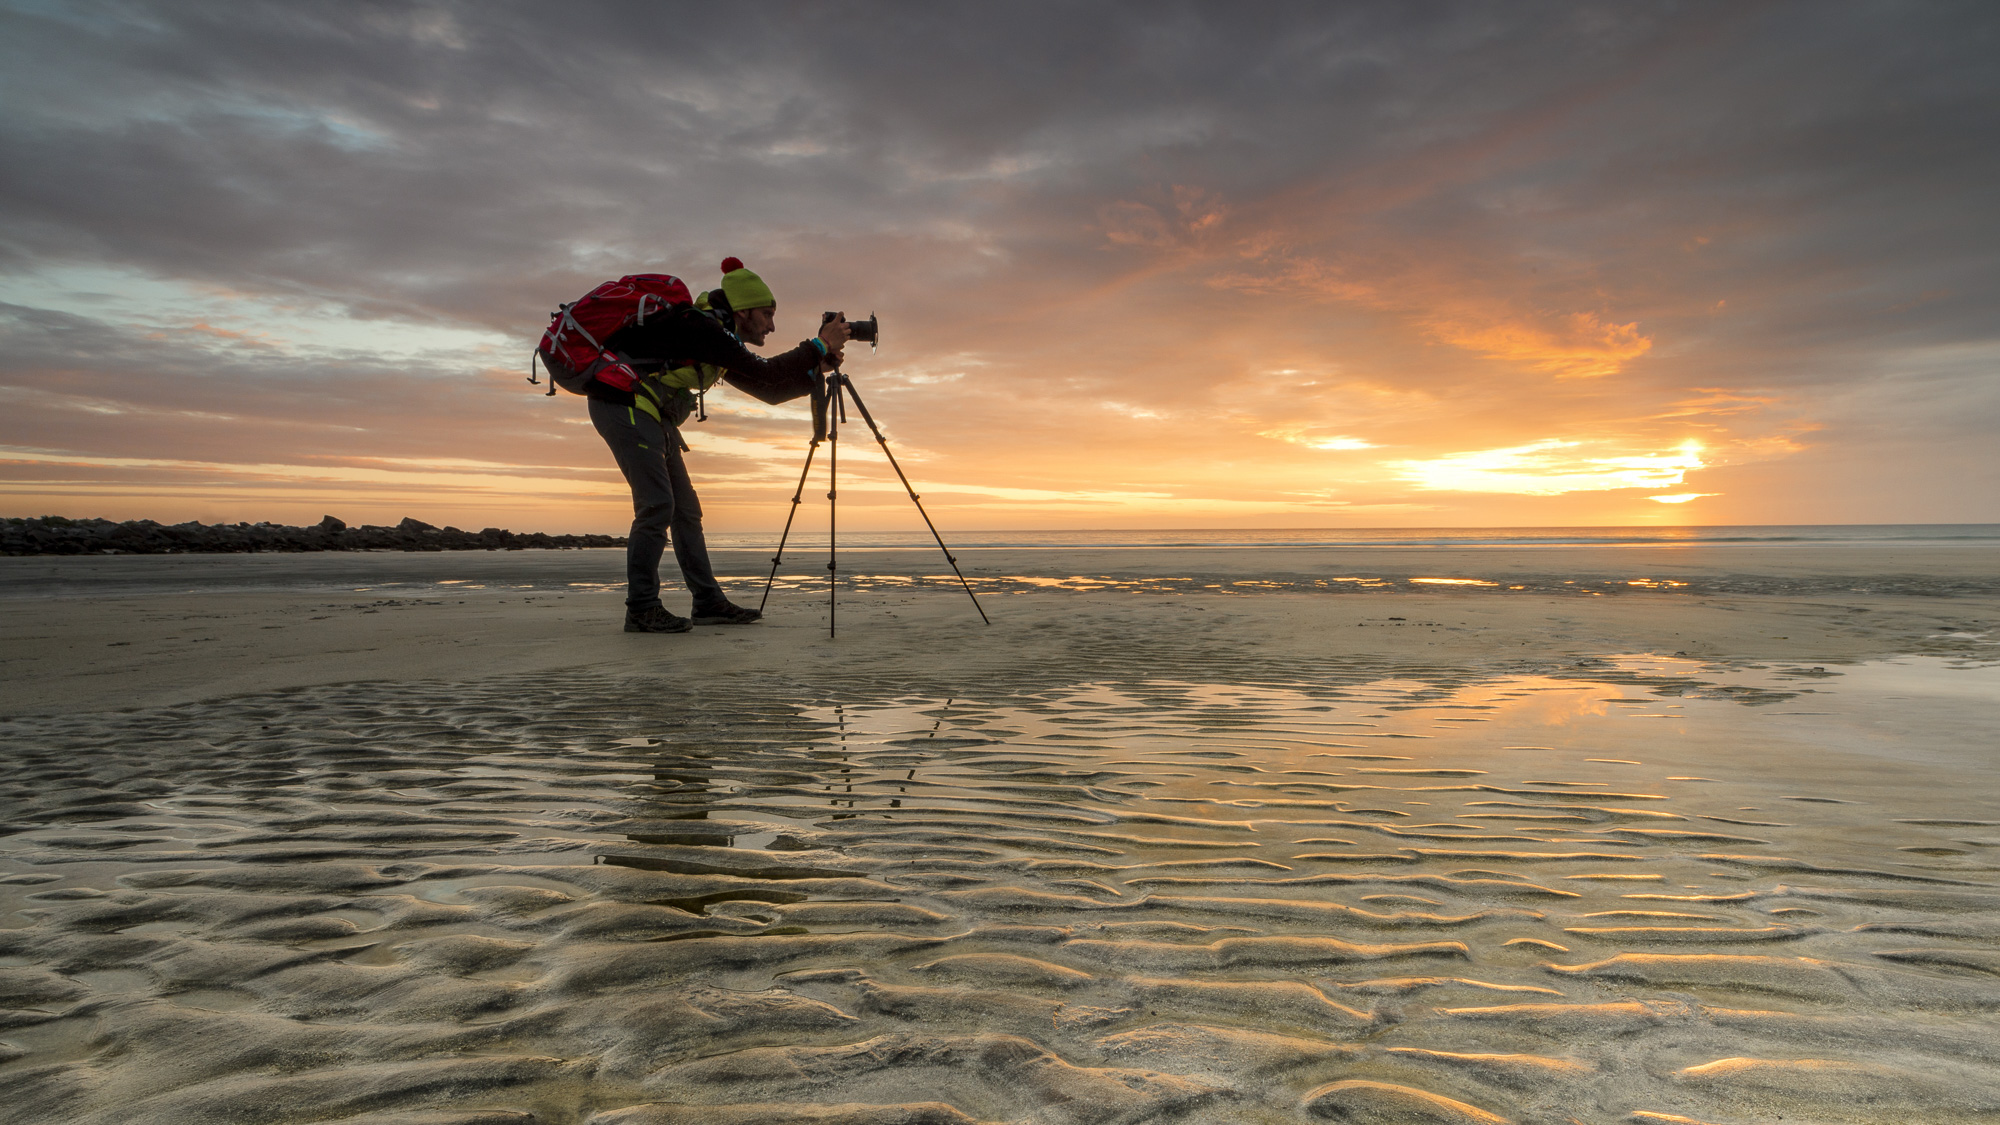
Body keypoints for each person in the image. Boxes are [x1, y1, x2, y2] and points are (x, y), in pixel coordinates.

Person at [586, 258, 849, 633]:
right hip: (623, 406)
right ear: (743, 311)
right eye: (767, 314)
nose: (772, 325)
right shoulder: (703, 328)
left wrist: (815, 368)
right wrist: (819, 343)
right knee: (658, 504)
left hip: (649, 412)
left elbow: (769, 390)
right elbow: (766, 372)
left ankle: (707, 603)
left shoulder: (720, 338)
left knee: (686, 511)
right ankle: (642, 608)